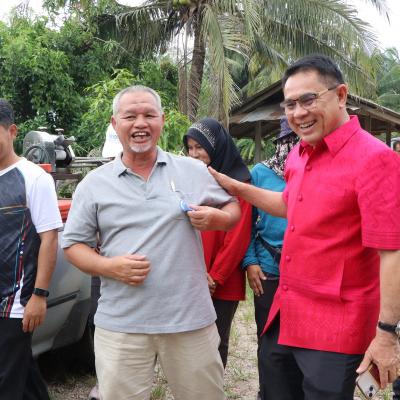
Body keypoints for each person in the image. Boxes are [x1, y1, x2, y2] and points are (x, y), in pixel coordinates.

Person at [209, 54, 400, 400]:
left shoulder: (376, 158)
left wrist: (387, 333)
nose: (298, 113)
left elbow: (392, 251)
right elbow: (290, 205)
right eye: (290, 104)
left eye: (308, 99)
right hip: (287, 310)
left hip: (337, 323)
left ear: (340, 95)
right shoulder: (299, 153)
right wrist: (237, 188)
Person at [62, 85, 241, 400]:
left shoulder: (192, 170)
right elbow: (73, 245)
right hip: (121, 324)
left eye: (149, 115)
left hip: (190, 320)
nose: (140, 123)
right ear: (115, 123)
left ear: (162, 120)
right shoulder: (94, 184)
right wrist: (110, 267)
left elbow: (232, 207)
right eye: (130, 116)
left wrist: (219, 219)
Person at [0, 99, 62, 400]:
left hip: (14, 302)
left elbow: (49, 239)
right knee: (22, 377)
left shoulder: (34, 178)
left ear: (12, 131)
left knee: (6, 381)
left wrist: (39, 296)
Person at [183, 117, 252, 368]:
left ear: (216, 147)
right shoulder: (188, 180)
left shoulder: (239, 183)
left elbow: (238, 236)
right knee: (188, 340)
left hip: (221, 279)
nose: (194, 154)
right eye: (190, 148)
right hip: (192, 274)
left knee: (216, 340)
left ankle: (212, 386)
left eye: (200, 147)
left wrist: (215, 277)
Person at [242, 117, 297, 400]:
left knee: (302, 343)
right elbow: (246, 224)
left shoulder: (315, 173)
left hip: (305, 272)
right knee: (269, 341)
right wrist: (250, 262)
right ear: (282, 143)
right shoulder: (261, 173)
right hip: (268, 269)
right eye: (291, 141)